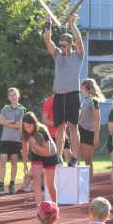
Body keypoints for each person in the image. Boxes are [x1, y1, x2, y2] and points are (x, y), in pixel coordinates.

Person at [43, 11, 84, 167]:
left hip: (73, 95)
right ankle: (59, 156)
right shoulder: (57, 56)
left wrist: (72, 23)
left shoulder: (78, 55)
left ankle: (74, 157)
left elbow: (79, 40)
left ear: (70, 44)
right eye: (60, 45)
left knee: (73, 126)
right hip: (59, 96)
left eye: (64, 45)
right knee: (60, 126)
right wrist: (48, 23)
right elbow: (47, 41)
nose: (61, 48)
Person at [0, 87, 26, 195]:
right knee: (2, 160)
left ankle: (11, 185)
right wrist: (13, 121)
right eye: (11, 95)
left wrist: (6, 123)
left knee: (14, 162)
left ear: (18, 95)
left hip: (16, 140)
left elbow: (19, 125)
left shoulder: (22, 109)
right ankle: (1, 185)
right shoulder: (5, 108)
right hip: (5, 139)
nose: (13, 96)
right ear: (8, 97)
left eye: (15, 94)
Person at [21, 112, 58, 206]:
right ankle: (39, 208)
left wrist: (34, 145)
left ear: (34, 124)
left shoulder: (43, 131)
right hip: (36, 155)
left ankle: (55, 205)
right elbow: (24, 149)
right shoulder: (24, 132)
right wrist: (25, 165)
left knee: (49, 184)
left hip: (50, 155)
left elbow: (47, 152)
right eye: (25, 126)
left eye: (29, 126)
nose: (27, 129)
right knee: (36, 184)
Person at [78, 78, 104, 175]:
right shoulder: (84, 100)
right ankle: (77, 181)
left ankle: (89, 182)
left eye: (81, 86)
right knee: (75, 158)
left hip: (88, 132)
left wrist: (96, 136)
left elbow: (97, 119)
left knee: (87, 159)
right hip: (79, 130)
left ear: (85, 87)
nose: (80, 88)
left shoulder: (93, 101)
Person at [42, 93, 71, 165]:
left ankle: (72, 172)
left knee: (70, 158)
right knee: (50, 161)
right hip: (51, 135)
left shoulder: (65, 100)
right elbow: (44, 120)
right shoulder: (48, 101)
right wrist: (58, 124)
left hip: (63, 134)